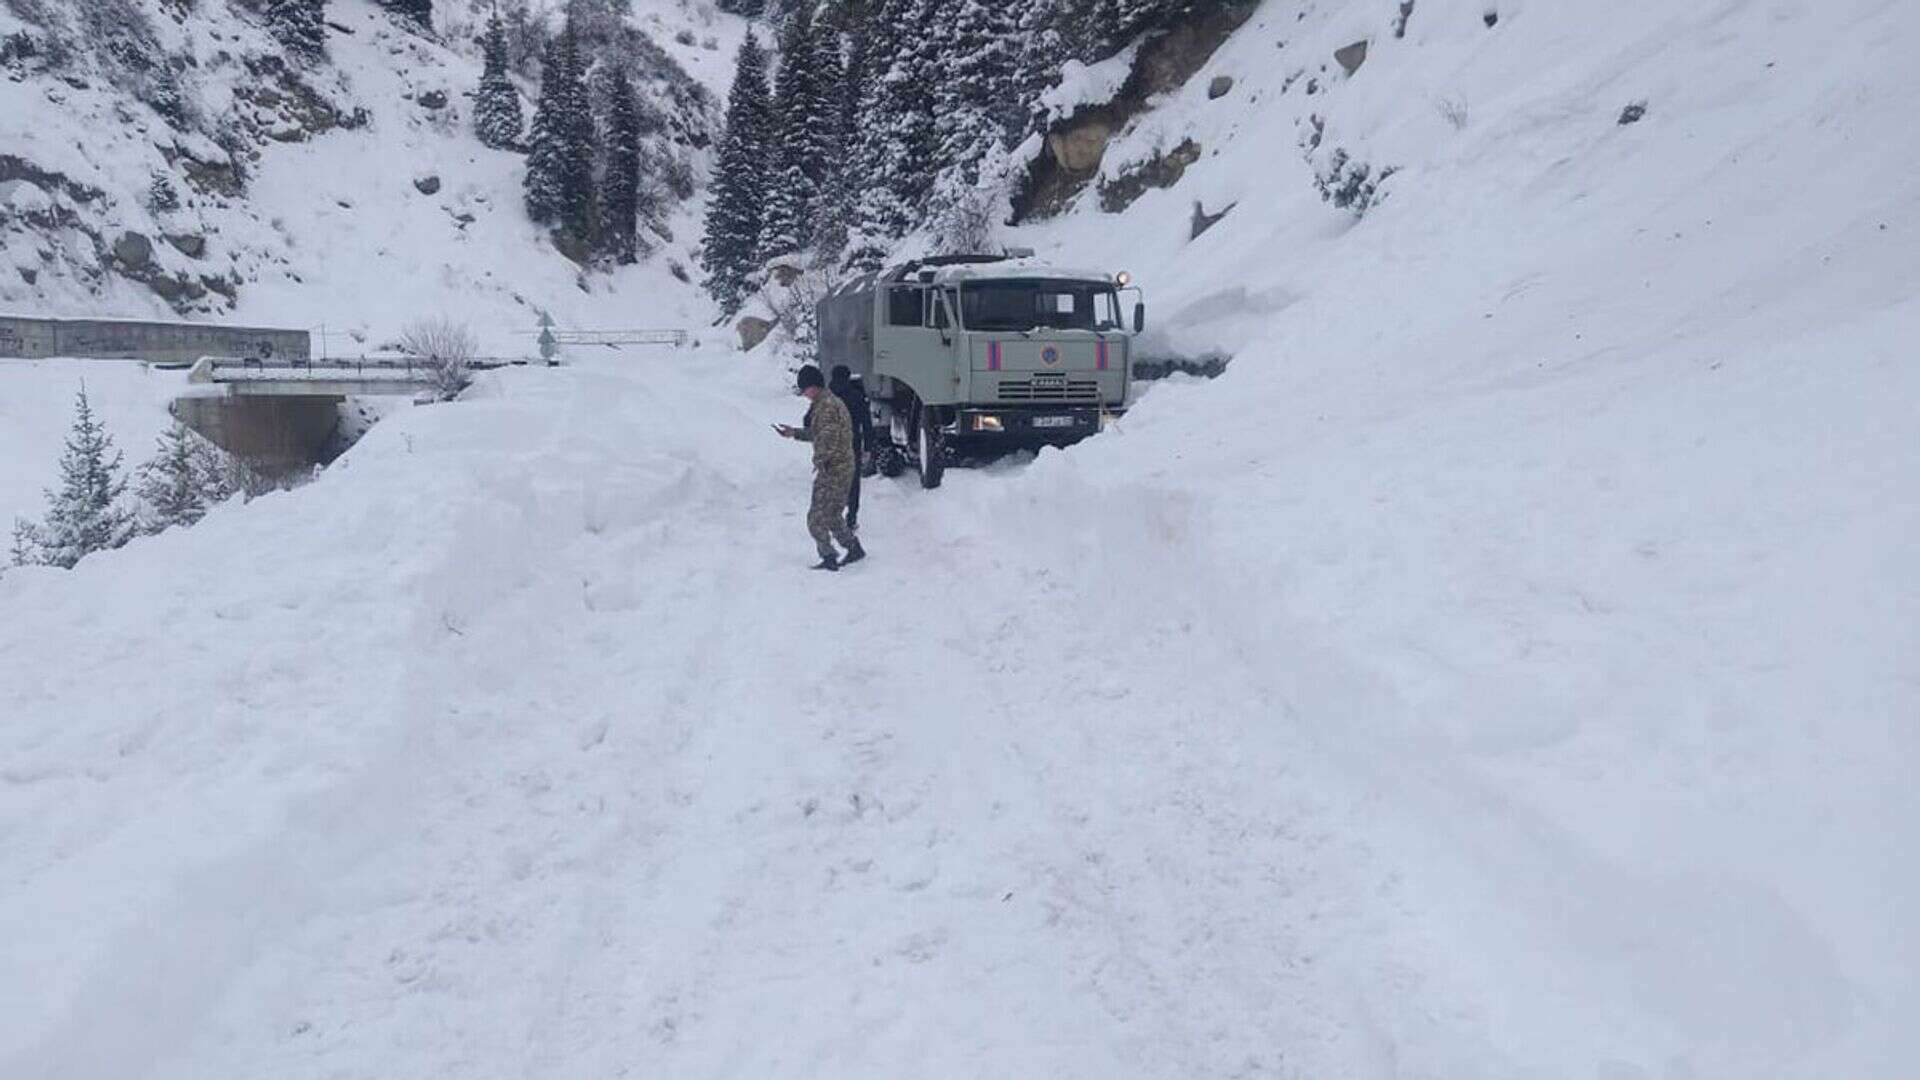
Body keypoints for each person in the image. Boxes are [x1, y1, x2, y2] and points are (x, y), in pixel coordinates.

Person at [774, 365, 866, 571]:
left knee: (816, 517)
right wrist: (794, 433)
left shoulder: (826, 406)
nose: (804, 394)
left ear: (813, 387)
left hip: (833, 468)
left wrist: (821, 460)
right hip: (843, 465)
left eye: (805, 389)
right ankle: (854, 548)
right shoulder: (827, 402)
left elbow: (828, 437)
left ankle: (828, 556)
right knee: (833, 514)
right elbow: (818, 432)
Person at [829, 365, 873, 529]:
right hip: (851, 443)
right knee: (853, 482)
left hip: (831, 445)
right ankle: (851, 517)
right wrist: (868, 447)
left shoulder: (826, 397)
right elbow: (867, 424)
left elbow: (809, 420)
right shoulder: (856, 396)